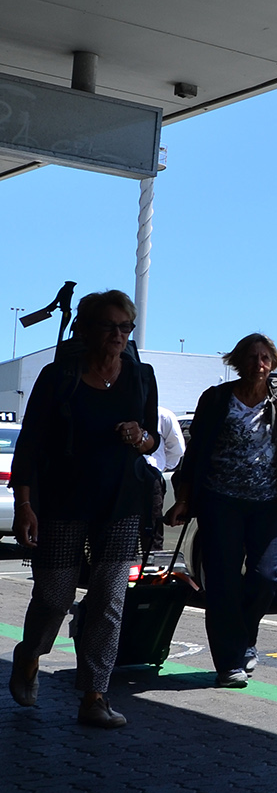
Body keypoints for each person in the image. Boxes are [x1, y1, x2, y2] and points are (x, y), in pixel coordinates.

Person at [7, 290, 161, 727]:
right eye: (109, 325)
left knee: (109, 601)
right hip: (62, 503)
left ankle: (95, 695)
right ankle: (30, 655)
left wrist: (141, 437)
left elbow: (152, 440)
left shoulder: (141, 377)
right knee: (53, 597)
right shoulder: (59, 376)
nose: (118, 335)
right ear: (87, 329)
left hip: (120, 504)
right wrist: (25, 504)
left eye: (125, 327)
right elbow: (31, 446)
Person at [167, 334, 277, 688]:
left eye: (266, 357)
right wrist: (183, 498)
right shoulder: (217, 398)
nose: (260, 364)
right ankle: (229, 664)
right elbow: (195, 455)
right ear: (238, 362)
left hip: (270, 504)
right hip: (219, 502)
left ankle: (244, 639)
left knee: (265, 577)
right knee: (222, 582)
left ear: (274, 362)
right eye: (252, 357)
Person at [142, 404, 186, 551]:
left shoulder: (163, 415)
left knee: (151, 532)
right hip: (120, 479)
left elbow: (177, 448)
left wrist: (160, 467)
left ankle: (152, 570)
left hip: (150, 478)